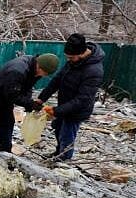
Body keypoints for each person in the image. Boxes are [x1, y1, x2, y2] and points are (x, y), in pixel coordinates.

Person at [36, 33, 105, 161]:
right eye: (67, 57)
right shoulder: (73, 62)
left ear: (81, 53)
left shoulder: (94, 71)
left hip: (77, 110)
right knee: (57, 128)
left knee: (67, 134)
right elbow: (57, 80)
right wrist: (42, 98)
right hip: (64, 105)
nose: (68, 60)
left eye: (71, 57)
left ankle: (64, 159)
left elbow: (82, 99)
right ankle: (58, 152)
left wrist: (56, 110)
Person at [0, 53, 59, 152]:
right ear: (39, 66)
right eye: (44, 73)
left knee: (8, 122)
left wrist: (29, 106)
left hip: (6, 93)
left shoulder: (35, 69)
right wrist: (30, 104)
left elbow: (27, 87)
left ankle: (5, 152)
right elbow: (12, 96)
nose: (43, 76)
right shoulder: (18, 70)